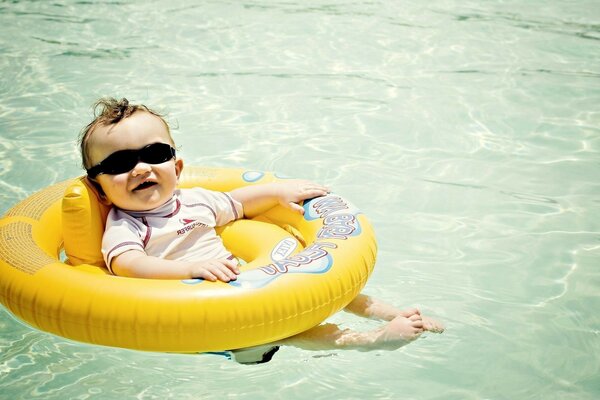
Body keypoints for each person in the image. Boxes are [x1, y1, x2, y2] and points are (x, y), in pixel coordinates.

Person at [78, 97, 444, 362]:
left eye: (154, 154)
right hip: (199, 314)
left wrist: (277, 192)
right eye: (120, 163)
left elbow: (238, 203)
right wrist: (187, 270)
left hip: (244, 285)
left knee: (327, 289)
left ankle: (394, 314)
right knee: (290, 331)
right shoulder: (125, 224)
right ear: (99, 188)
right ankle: (370, 340)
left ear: (177, 167)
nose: (141, 168)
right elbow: (128, 265)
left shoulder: (195, 201)